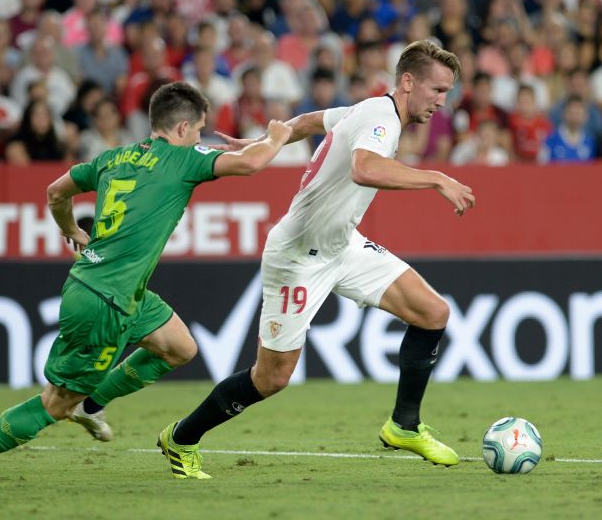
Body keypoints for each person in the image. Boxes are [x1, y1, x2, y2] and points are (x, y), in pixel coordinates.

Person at [0, 81, 292, 486]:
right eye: (200, 130)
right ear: (182, 128)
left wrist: (71, 231)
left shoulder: (113, 157)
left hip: (123, 291)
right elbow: (251, 164)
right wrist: (276, 138)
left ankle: (94, 403)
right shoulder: (182, 160)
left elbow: (55, 192)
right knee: (55, 404)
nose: (200, 139)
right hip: (105, 302)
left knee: (178, 348)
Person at [155, 39, 475, 478]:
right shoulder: (380, 117)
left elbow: (310, 121)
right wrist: (436, 177)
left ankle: (403, 425)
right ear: (407, 81)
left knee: (432, 312)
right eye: (437, 90)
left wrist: (270, 137)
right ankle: (181, 438)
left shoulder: (366, 110)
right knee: (271, 378)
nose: (443, 101)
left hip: (342, 244)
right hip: (298, 257)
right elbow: (364, 168)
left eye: (447, 92)